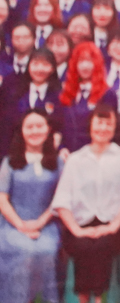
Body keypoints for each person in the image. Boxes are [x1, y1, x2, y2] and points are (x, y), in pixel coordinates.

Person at [52, 103, 120, 303]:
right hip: (79, 224)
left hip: (115, 225)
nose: (103, 128)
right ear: (90, 126)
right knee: (83, 245)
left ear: (115, 128)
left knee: (101, 245)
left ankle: (98, 299)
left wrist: (112, 226)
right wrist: (76, 230)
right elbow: (62, 201)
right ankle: (83, 298)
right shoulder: (76, 159)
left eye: (109, 124)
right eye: (99, 123)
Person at [0, 109, 62, 303]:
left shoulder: (58, 162)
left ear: (48, 129)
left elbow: (60, 199)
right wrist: (22, 226)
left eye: (39, 126)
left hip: (47, 224)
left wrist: (39, 223)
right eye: (29, 127)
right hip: (13, 224)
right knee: (24, 250)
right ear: (21, 131)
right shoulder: (9, 162)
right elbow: (2, 199)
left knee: (46, 251)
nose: (35, 131)